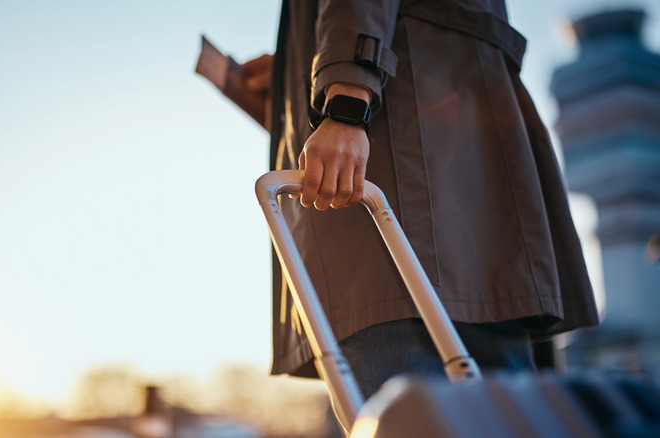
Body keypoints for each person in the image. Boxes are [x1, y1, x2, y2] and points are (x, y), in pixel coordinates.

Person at [243, 0, 599, 400]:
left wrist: (344, 99)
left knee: (414, 403)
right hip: (472, 174)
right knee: (501, 408)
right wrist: (300, 79)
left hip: (400, 186)